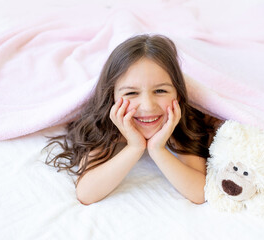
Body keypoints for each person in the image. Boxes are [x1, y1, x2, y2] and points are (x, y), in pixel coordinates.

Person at [45, 34, 221, 205]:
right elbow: (86, 193)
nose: (147, 106)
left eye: (160, 91)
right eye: (131, 93)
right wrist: (135, 147)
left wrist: (157, 149)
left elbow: (200, 192)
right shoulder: (105, 125)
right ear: (112, 97)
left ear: (179, 94)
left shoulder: (182, 123)